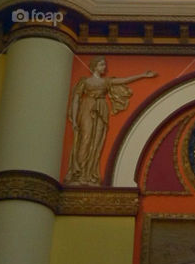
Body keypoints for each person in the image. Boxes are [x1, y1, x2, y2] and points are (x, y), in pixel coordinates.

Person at [65, 57, 156, 185]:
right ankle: (78, 173)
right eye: (102, 65)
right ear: (95, 66)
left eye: (104, 65)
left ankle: (88, 174)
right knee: (85, 139)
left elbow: (123, 80)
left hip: (101, 110)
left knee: (96, 142)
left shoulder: (106, 82)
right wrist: (74, 120)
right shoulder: (84, 82)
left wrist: (142, 75)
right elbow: (75, 100)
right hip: (87, 108)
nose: (104, 68)